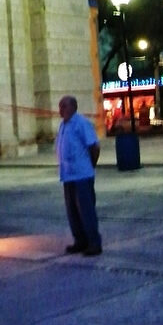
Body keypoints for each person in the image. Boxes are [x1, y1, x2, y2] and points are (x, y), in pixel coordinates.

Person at [56, 95, 102, 257]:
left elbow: (94, 147)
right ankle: (80, 240)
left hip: (82, 175)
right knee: (72, 211)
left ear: (73, 107)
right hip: (68, 176)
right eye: (60, 107)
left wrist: (90, 166)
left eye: (63, 106)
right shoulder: (63, 125)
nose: (60, 110)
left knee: (86, 210)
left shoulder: (81, 124)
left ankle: (94, 243)